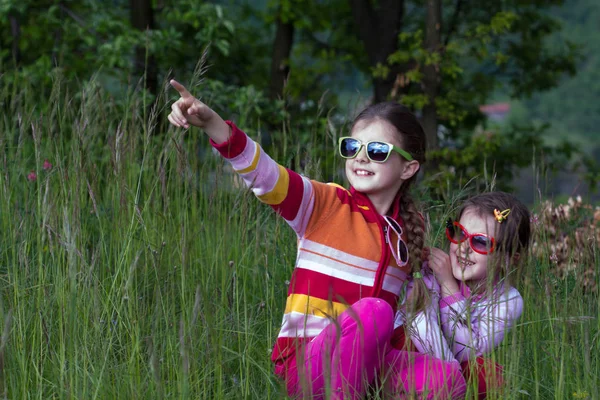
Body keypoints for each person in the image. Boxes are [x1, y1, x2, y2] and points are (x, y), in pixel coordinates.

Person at [167, 79, 466, 399]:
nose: (361, 157)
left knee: (446, 378)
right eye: (353, 147)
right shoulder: (324, 204)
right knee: (374, 312)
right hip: (308, 365)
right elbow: (265, 175)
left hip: (371, 367)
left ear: (408, 168)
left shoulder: (406, 231)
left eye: (377, 151)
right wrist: (214, 124)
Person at [395, 191, 530, 399]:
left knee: (490, 375)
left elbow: (467, 350)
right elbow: (419, 326)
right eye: (459, 234)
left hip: (453, 363)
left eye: (481, 242)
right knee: (405, 337)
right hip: (410, 354)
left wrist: (449, 286)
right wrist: (451, 373)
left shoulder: (508, 299)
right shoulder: (432, 271)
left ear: (509, 258)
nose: (464, 249)